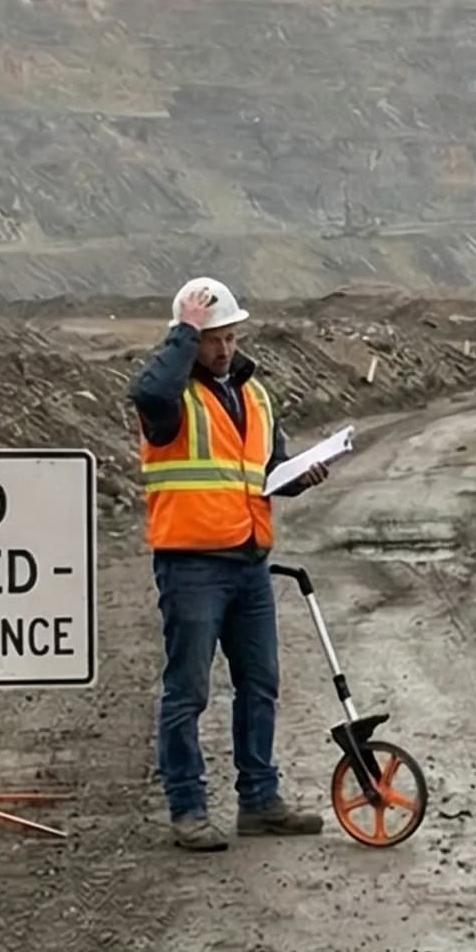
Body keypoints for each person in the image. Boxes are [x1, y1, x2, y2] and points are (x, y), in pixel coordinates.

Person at [130, 276, 330, 851]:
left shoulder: (255, 395)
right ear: (189, 340)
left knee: (260, 684)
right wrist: (182, 333)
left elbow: (268, 470)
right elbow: (148, 393)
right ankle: (187, 809)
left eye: (230, 337)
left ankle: (260, 801)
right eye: (212, 339)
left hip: (248, 562)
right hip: (191, 565)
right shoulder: (168, 400)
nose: (224, 349)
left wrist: (301, 476)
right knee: (187, 692)